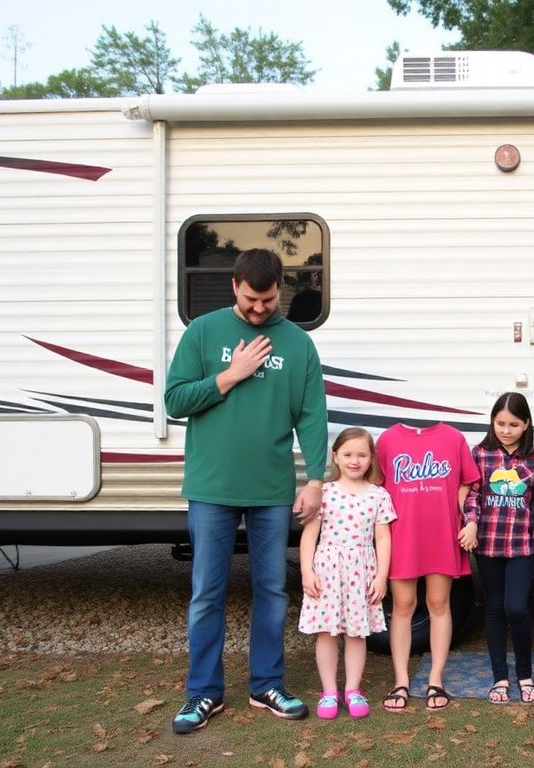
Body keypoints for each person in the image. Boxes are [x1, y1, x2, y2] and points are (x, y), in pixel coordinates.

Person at [164, 248, 328, 734]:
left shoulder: (298, 345)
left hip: (271, 489)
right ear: (236, 285)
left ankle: (267, 684)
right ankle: (203, 693)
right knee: (206, 593)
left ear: (281, 289)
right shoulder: (203, 332)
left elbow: (312, 415)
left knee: (272, 590)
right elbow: (174, 399)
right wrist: (229, 376)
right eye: (253, 299)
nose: (260, 309)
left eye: (270, 299)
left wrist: (316, 478)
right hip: (211, 487)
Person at [376, 422, 481, 712]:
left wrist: (457, 511)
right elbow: (376, 487)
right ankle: (401, 680)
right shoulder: (387, 439)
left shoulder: (453, 437)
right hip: (403, 535)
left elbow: (468, 480)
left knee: (438, 604)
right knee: (403, 605)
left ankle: (436, 679)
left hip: (441, 533)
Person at [298, 428, 395, 720]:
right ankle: (329, 692)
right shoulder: (324, 493)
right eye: (348, 454)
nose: (355, 461)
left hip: (361, 572)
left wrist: (381, 577)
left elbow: (383, 539)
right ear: (336, 457)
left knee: (356, 632)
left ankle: (353, 689)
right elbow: (309, 536)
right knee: (327, 632)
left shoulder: (378, 495)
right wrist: (307, 571)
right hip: (327, 570)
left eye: (362, 455)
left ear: (371, 458)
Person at [464, 392, 534, 704]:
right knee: (495, 608)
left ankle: (524, 673)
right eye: (500, 423)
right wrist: (470, 522)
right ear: (492, 422)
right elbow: (473, 494)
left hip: (522, 544)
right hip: (488, 544)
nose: (506, 430)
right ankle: (500, 677)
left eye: (513, 424)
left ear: (526, 425)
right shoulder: (480, 454)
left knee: (517, 608)